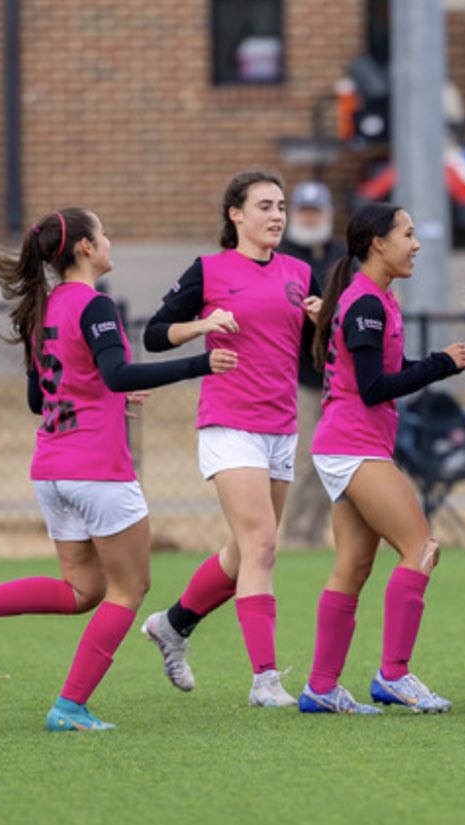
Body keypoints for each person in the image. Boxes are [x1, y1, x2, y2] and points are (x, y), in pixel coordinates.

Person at [0, 208, 237, 731]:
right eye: (104, 233)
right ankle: (69, 707)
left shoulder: (41, 309)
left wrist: (105, 395)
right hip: (97, 471)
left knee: (82, 591)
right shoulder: (95, 305)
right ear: (86, 249)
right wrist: (202, 362)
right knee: (129, 591)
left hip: (51, 469)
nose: (110, 241)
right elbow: (114, 372)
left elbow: (38, 397)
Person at [137, 170, 322, 707]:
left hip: (281, 427)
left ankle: (172, 626)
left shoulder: (300, 273)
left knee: (244, 553)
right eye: (264, 206)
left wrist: (323, 321)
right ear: (235, 215)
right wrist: (202, 325)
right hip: (229, 423)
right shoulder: (210, 271)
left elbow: (318, 352)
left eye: (282, 206)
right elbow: (153, 334)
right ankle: (265, 680)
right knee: (262, 544)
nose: (277, 215)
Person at [298, 202, 465, 714]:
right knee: (421, 548)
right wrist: (442, 363)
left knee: (353, 566)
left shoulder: (377, 298)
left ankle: (320, 687)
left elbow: (389, 372)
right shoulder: (366, 303)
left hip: (350, 444)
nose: (416, 243)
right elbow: (376, 387)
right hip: (351, 443)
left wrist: (443, 362)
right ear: (377, 243)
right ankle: (394, 675)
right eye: (407, 233)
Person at [279, 181, 347, 548]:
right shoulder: (282, 257)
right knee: (304, 457)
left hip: (339, 379)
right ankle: (293, 536)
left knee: (332, 459)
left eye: (315, 211)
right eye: (303, 211)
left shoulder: (341, 256)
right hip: (300, 376)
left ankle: (315, 533)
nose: (309, 218)